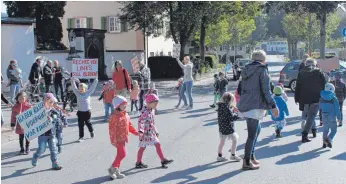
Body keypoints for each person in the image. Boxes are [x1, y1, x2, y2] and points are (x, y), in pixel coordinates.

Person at [237, 50, 279, 170]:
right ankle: (246, 162)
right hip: (255, 105)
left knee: (257, 130)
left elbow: (241, 88)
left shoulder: (245, 69)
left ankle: (251, 156)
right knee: (252, 134)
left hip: (245, 103)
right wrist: (273, 106)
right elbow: (266, 90)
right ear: (263, 60)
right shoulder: (262, 69)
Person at [135, 94, 173, 169]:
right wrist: (141, 131)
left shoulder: (152, 110)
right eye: (155, 104)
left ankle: (163, 160)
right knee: (142, 147)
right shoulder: (145, 112)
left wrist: (156, 131)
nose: (156, 105)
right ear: (148, 103)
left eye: (157, 104)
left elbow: (152, 122)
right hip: (145, 134)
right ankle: (138, 162)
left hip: (151, 133)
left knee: (158, 144)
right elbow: (141, 121)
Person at [295, 58, 326, 143]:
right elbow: (324, 84)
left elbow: (298, 86)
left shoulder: (301, 72)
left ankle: (314, 130)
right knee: (311, 116)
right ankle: (304, 134)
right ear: (314, 64)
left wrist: (296, 98)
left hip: (304, 98)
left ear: (306, 64)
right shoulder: (319, 71)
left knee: (309, 115)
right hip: (316, 97)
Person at [108, 95, 139, 179]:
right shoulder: (114, 116)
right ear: (118, 106)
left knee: (119, 154)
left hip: (124, 137)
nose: (125, 106)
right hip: (118, 139)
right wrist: (113, 140)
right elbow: (112, 130)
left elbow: (129, 125)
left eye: (126, 104)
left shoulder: (125, 114)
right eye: (123, 104)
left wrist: (136, 132)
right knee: (123, 154)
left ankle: (116, 170)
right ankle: (112, 169)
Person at [31, 93, 62, 170]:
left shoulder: (54, 111)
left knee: (53, 149)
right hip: (42, 134)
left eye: (51, 102)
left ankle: (55, 163)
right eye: (47, 101)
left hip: (52, 133)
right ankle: (36, 156)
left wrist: (52, 119)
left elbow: (56, 118)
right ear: (44, 101)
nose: (50, 103)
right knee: (42, 149)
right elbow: (33, 120)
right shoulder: (39, 111)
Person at [71, 75, 98, 142]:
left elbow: (93, 87)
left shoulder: (88, 93)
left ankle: (91, 131)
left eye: (82, 89)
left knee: (88, 123)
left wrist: (96, 79)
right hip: (80, 112)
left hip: (87, 112)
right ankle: (81, 137)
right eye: (80, 89)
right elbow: (74, 88)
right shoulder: (77, 93)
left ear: (85, 89)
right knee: (80, 125)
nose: (81, 90)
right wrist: (72, 80)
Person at [216, 92, 242, 162]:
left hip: (222, 127)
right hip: (228, 127)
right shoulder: (227, 108)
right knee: (235, 139)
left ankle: (219, 156)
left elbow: (226, 115)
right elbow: (231, 118)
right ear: (229, 101)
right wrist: (238, 115)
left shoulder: (220, 106)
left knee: (222, 142)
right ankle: (233, 155)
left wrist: (232, 109)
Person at [320, 83, 341, 148]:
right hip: (332, 116)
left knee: (325, 129)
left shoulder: (321, 97)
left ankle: (324, 143)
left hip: (324, 115)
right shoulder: (334, 98)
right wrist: (339, 118)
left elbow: (320, 107)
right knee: (334, 130)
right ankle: (329, 139)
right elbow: (337, 109)